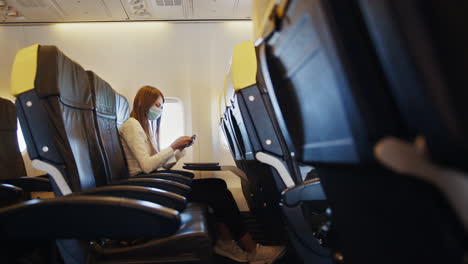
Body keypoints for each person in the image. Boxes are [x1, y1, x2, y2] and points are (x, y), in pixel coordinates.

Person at [119, 86, 285, 263]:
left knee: (218, 185)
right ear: (143, 103)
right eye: (157, 105)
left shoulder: (145, 129)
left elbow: (159, 165)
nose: (159, 110)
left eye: (161, 106)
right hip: (147, 187)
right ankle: (251, 249)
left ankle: (227, 243)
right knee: (215, 191)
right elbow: (146, 166)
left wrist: (179, 151)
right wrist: (173, 146)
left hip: (155, 182)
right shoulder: (132, 125)